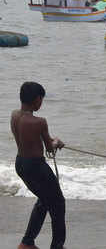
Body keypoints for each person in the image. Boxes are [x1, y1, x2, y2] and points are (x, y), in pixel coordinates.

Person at [10, 82, 65, 249]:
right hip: (36, 166)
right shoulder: (39, 121)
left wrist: (50, 142)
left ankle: (27, 243)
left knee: (44, 200)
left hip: (20, 164)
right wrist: (57, 142)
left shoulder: (14, 115)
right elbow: (49, 147)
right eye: (42, 99)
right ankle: (57, 246)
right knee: (58, 203)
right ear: (37, 99)